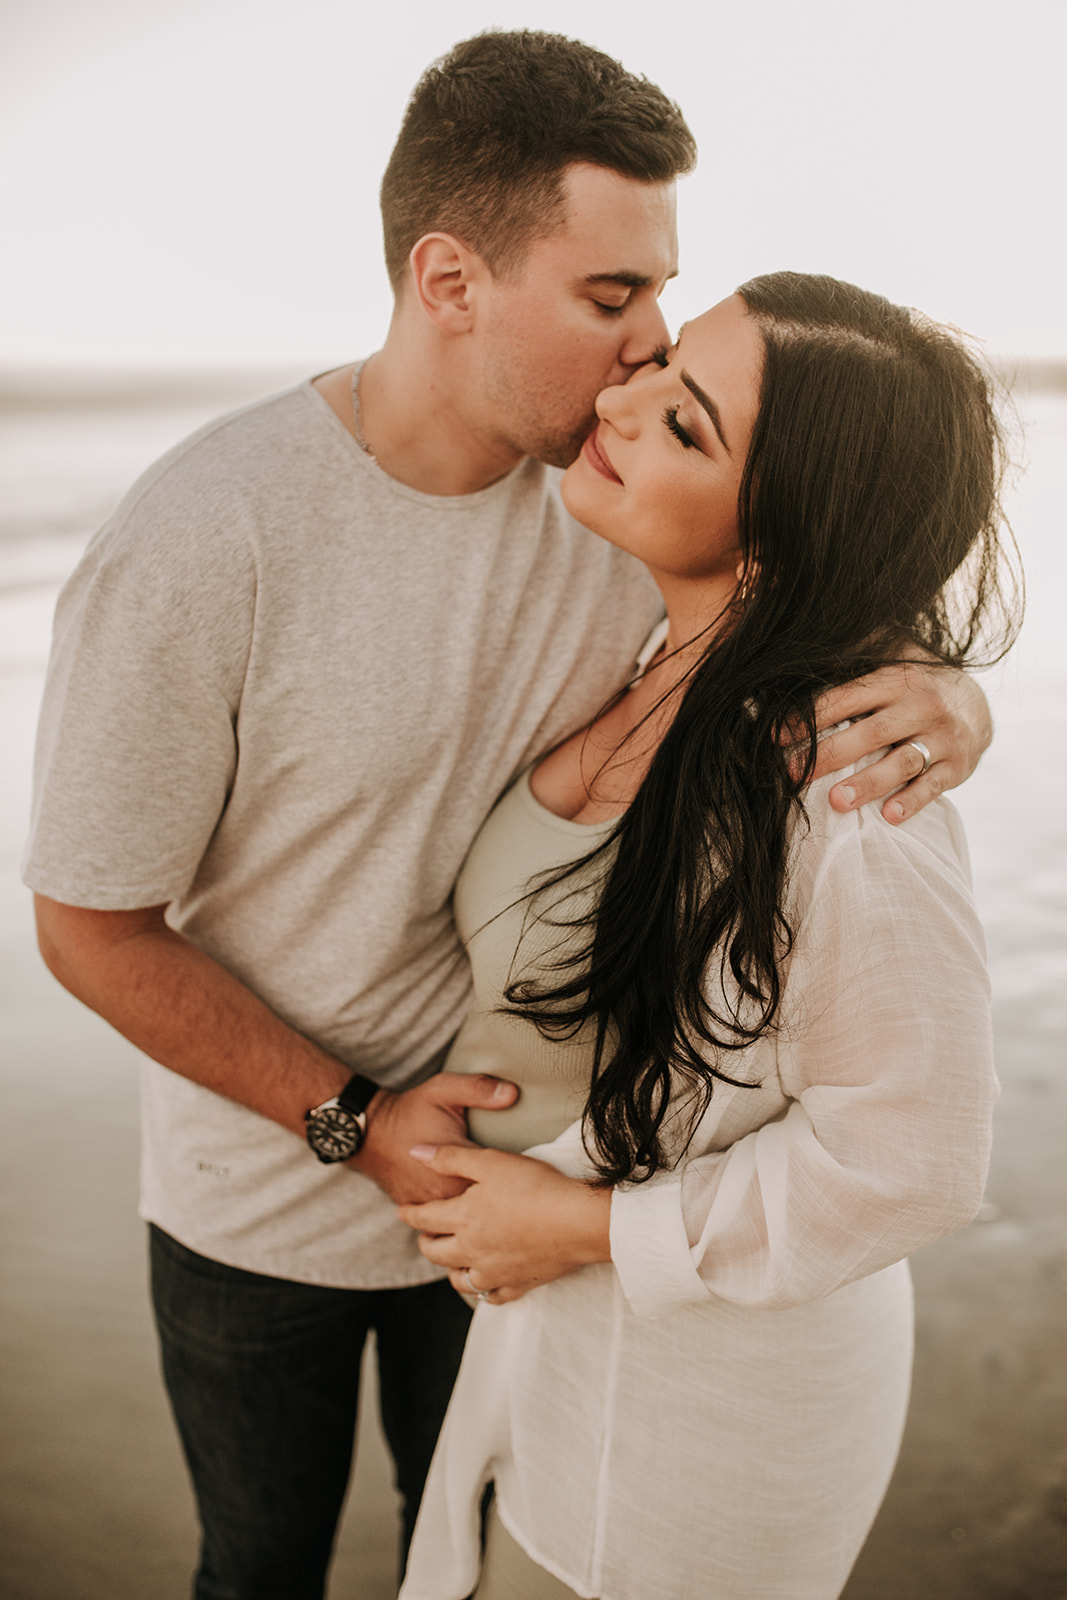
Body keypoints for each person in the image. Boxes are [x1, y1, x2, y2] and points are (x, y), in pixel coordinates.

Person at [22, 29, 991, 1600]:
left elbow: (800, 560)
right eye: (614, 300)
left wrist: (944, 695)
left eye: (667, 301)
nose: (646, 353)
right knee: (255, 1561)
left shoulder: (603, 496)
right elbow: (88, 925)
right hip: (262, 1190)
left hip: (531, 1210)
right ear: (452, 280)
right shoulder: (206, 541)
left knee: (453, 1553)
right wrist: (350, 1119)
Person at [395, 274, 1018, 1600]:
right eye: (659, 365)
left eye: (685, 427)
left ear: (787, 535)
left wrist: (588, 1231)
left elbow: (916, 1161)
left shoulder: (848, 797)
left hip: (701, 1414)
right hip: (565, 1338)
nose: (615, 402)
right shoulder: (638, 642)